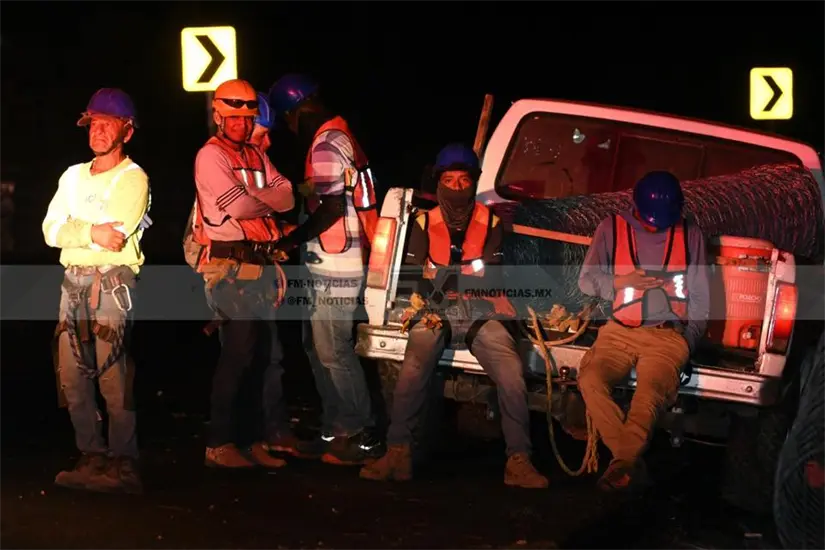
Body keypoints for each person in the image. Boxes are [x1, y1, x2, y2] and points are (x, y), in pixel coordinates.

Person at [359, 144, 549, 489]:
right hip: (434, 311)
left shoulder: (490, 221)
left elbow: (490, 276)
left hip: (479, 312)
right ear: (439, 182)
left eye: (464, 180)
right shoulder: (421, 221)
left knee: (511, 372)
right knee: (413, 368)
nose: (457, 187)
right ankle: (397, 452)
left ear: (473, 182)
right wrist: (460, 281)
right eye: (450, 180)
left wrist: (445, 277)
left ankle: (519, 460)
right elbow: (413, 278)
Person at [267, 73, 381, 465]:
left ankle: (356, 431)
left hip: (337, 263)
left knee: (333, 349)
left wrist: (290, 240)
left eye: (287, 119)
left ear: (296, 112)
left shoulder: (327, 144)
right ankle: (336, 427)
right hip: (332, 261)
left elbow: (331, 208)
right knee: (318, 348)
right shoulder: (339, 136)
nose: (288, 128)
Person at [43, 88, 151, 494]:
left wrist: (77, 233)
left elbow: (117, 239)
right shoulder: (71, 176)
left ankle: (124, 464)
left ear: (127, 130)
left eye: (107, 123)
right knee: (71, 375)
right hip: (73, 283)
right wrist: (90, 231)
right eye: (94, 123)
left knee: (113, 375)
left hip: (110, 283)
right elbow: (50, 231)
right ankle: (91, 455)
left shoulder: (133, 178)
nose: (98, 130)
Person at [577, 170, 710, 491]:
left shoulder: (690, 234)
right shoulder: (612, 228)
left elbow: (702, 297)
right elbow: (586, 280)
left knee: (649, 395)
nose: (655, 226)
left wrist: (687, 343)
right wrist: (620, 282)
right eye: (650, 220)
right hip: (619, 331)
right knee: (590, 379)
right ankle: (627, 463)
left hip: (667, 336)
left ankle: (621, 467)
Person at [190, 78, 298, 468]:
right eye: (233, 116)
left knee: (260, 354)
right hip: (228, 268)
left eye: (247, 117)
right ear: (218, 114)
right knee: (238, 353)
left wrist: (259, 201)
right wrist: (265, 202)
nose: (241, 123)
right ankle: (219, 444)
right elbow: (239, 208)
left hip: (258, 265)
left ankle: (251, 441)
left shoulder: (254, 154)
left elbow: (287, 195)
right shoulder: (210, 156)